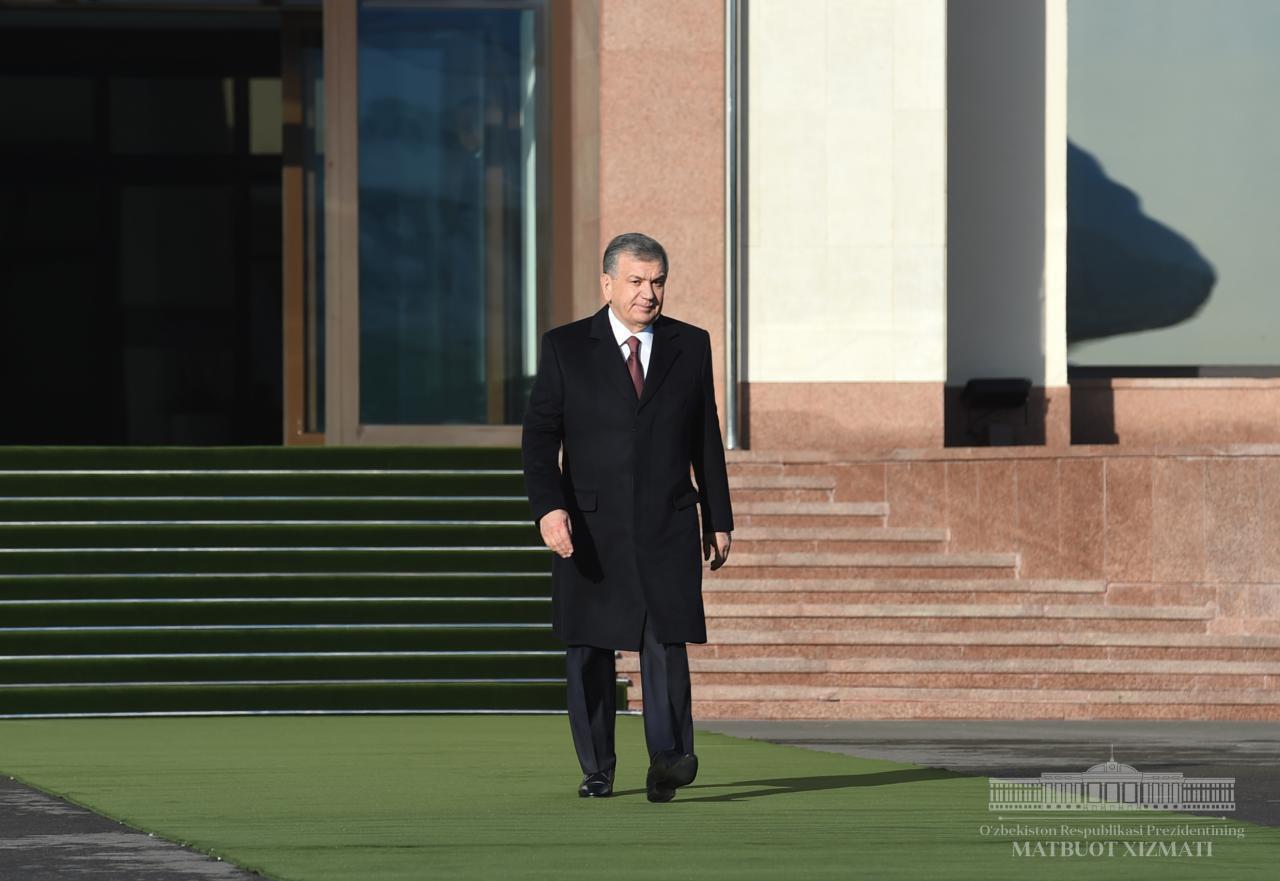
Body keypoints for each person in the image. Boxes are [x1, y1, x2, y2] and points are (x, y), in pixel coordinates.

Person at [521, 232, 734, 803]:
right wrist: (548, 508)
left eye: (657, 281)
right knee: (590, 649)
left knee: (666, 642)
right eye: (636, 281)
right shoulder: (566, 347)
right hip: (590, 529)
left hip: (668, 521)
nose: (649, 293)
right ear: (607, 284)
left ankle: (669, 760)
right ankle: (598, 768)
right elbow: (540, 438)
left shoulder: (691, 344)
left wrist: (718, 515)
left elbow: (705, 435)